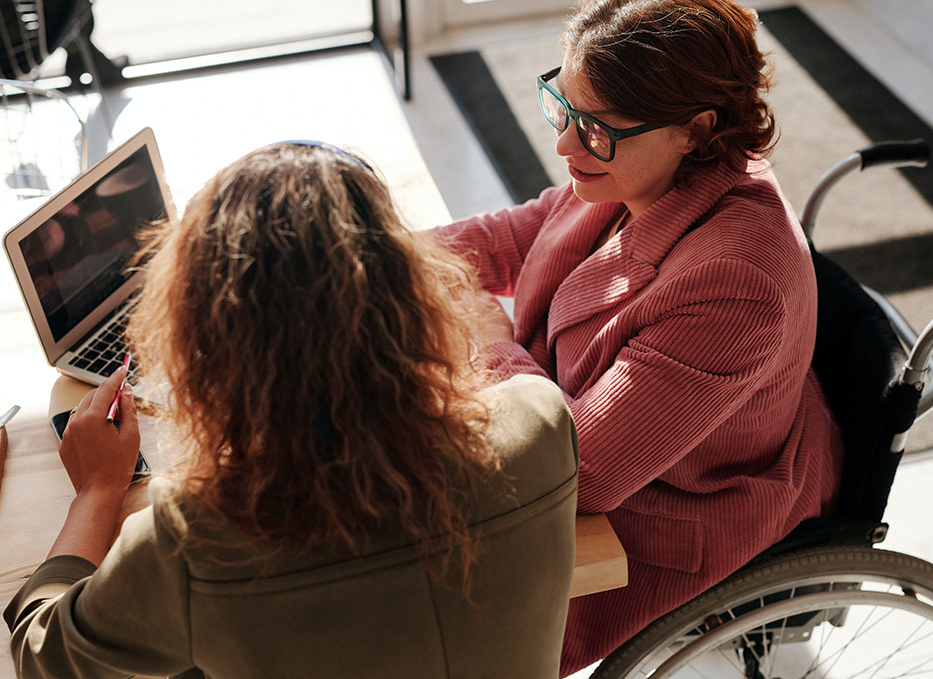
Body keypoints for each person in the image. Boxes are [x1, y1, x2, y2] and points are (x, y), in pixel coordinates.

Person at [4, 142, 580, 678]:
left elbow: (43, 656)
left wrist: (98, 491)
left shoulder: (195, 539)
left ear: (206, 339)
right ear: (414, 292)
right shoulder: (541, 421)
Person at [435, 0, 845, 676]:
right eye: (560, 105)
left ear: (697, 128)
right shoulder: (636, 166)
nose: (566, 146)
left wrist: (488, 337)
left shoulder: (734, 284)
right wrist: (365, 253)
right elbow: (515, 235)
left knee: (428, 599)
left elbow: (581, 473)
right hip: (603, 430)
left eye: (592, 127)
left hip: (662, 519)